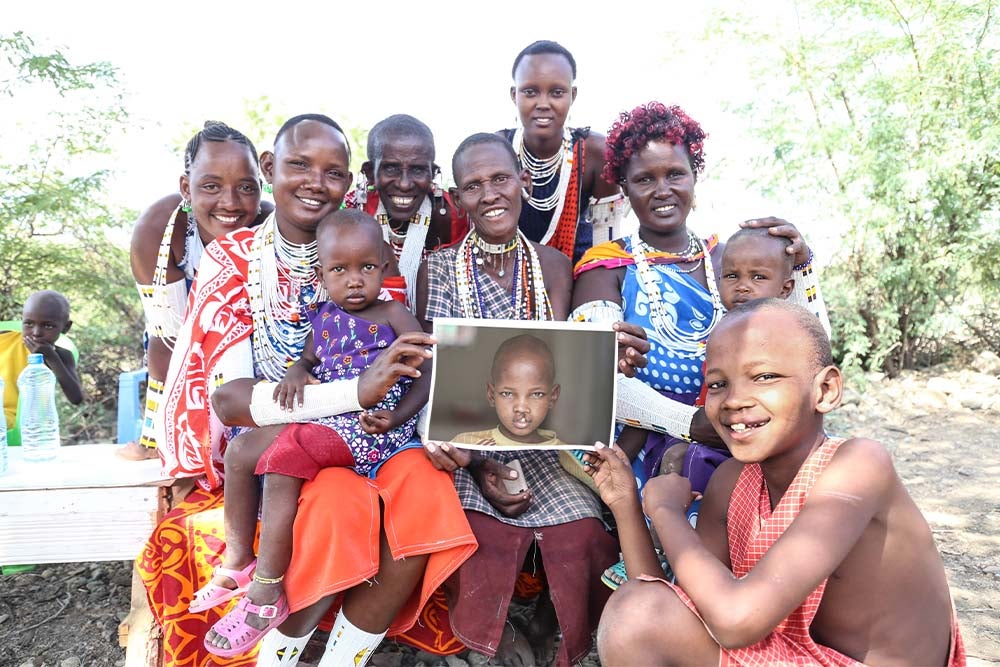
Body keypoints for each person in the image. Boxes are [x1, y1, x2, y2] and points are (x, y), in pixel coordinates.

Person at [139, 114, 476, 667]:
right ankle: (279, 643)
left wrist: (420, 424)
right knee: (331, 505)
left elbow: (411, 368)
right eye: (299, 165)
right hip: (270, 440)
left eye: (333, 172)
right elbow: (230, 401)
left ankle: (348, 654)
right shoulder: (237, 259)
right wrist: (355, 392)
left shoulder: (360, 255)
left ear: (351, 184)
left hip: (372, 435)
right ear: (271, 168)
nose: (315, 182)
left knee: (426, 489)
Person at [589, 299, 966, 667]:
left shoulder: (860, 465)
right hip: (787, 653)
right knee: (637, 612)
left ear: (825, 390)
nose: (735, 399)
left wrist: (666, 510)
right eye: (718, 384)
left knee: (637, 617)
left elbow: (735, 622)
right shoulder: (732, 482)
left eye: (764, 376)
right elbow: (678, 610)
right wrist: (627, 505)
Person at [571, 101, 830, 587]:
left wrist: (804, 267)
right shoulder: (604, 268)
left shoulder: (734, 258)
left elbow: (814, 349)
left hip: (750, 426)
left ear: (695, 176)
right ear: (623, 189)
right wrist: (692, 424)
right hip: (660, 444)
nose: (662, 189)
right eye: (644, 179)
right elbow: (595, 377)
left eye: (675, 173)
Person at [417, 132, 624, 667]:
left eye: (500, 179)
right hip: (469, 436)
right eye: (473, 186)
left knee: (582, 526)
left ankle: (560, 628)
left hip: (544, 438)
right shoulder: (437, 269)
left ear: (523, 182)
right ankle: (494, 630)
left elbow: (569, 364)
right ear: (457, 199)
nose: (489, 194)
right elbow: (434, 374)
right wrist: (480, 459)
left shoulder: (554, 266)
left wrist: (608, 358)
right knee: (473, 528)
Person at [201, 210, 432, 656]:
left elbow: (427, 373)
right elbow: (309, 361)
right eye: (339, 270)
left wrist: (399, 417)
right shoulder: (324, 316)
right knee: (247, 450)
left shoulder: (394, 313)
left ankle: (266, 595)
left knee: (285, 457)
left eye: (366, 267)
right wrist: (294, 373)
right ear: (321, 274)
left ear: (384, 266)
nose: (354, 281)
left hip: (374, 429)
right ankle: (242, 564)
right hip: (332, 417)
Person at [119, 121, 270, 461]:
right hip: (181, 352)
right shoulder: (160, 230)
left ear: (261, 188)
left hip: (255, 362)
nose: (230, 203)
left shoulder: (272, 230)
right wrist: (157, 438)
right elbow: (167, 341)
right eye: (212, 186)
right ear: (187, 187)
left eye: (246, 187)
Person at [502, 40, 626, 264]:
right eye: (530, 92)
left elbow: (606, 246)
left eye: (557, 92)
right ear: (514, 95)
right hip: (507, 276)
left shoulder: (595, 154)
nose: (543, 103)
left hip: (580, 273)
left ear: (573, 95)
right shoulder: (498, 150)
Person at [345, 114, 470, 306]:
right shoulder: (350, 212)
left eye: (418, 170)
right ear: (370, 172)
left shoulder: (455, 216)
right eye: (391, 168)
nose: (404, 184)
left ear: (433, 173)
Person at [451, 334, 562, 447]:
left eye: (536, 394)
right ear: (491, 395)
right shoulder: (465, 443)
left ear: (553, 396)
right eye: (507, 394)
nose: (521, 408)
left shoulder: (568, 454)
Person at [1, 290, 83, 437]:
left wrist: (50, 357)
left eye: (48, 326)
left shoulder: (62, 355)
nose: (36, 332)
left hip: (13, 422)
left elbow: (76, 398)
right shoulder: (5, 339)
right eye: (28, 324)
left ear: (65, 327)